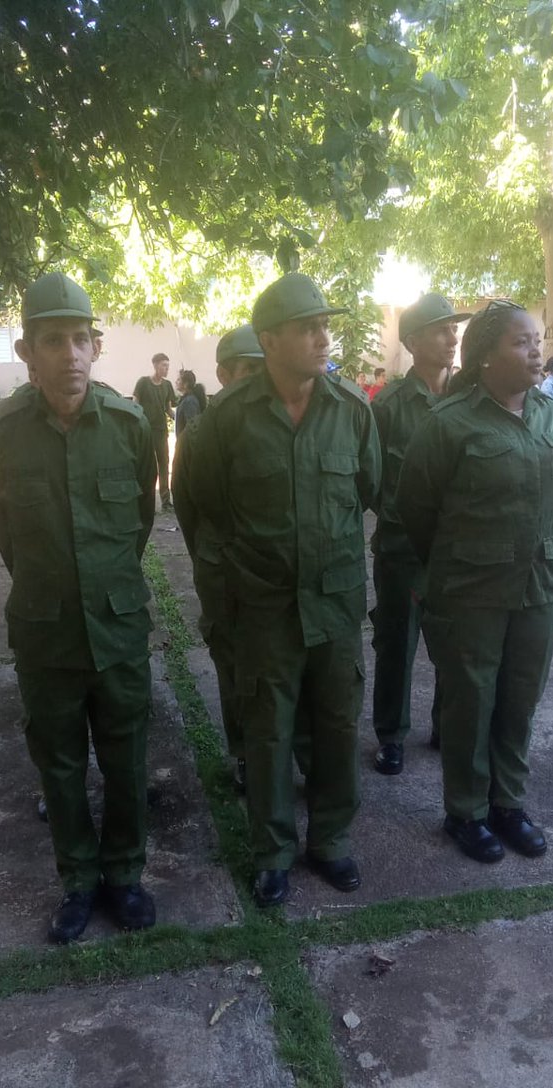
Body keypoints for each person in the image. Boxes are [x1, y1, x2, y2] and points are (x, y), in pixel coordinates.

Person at [186, 274, 381, 906]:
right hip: (265, 604)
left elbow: (372, 491)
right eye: (308, 328)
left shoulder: (351, 408)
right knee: (268, 730)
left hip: (335, 601)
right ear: (270, 340)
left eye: (326, 325)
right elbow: (204, 506)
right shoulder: (229, 418)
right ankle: (271, 851)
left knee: (336, 722)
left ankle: (331, 840)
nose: (324, 338)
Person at [0, 271, 158, 944]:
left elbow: (140, 520)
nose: (70, 354)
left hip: (116, 626)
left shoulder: (131, 425)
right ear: (28, 353)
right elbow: (2, 526)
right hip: (45, 628)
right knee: (58, 761)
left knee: (127, 754)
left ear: (97, 345)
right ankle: (79, 881)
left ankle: (125, 876)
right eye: (53, 341)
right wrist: (50, 585)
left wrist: (103, 584)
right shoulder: (0, 431)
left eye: (81, 339)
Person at [396, 300, 553, 864]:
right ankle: (466, 812)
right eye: (521, 342)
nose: (536, 350)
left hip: (540, 584)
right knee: (472, 701)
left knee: (521, 699)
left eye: (538, 339)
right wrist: (444, 571)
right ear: (487, 355)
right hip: (470, 587)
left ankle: (508, 805)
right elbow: (415, 510)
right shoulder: (449, 423)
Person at [369, 292, 472, 776]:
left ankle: (445, 727)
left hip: (458, 551)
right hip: (402, 550)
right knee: (396, 645)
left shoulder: (472, 398)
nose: (452, 338)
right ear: (411, 341)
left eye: (454, 329)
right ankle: (391, 735)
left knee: (457, 646)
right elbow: (369, 480)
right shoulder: (388, 406)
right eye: (440, 329)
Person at [173, 325, 266, 791]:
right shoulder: (197, 434)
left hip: (273, 575)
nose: (257, 379)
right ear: (224, 374)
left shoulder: (280, 427)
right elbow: (187, 510)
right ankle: (246, 754)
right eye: (248, 369)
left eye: (263, 368)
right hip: (223, 573)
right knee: (233, 667)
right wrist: (209, 561)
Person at [133, 353, 176, 508]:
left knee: (164, 463)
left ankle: (165, 499)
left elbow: (168, 409)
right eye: (164, 365)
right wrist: (136, 421)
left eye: (168, 365)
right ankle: (146, 499)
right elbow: (135, 403)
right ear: (155, 365)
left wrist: (181, 418)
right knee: (147, 465)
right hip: (145, 431)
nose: (167, 368)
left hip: (161, 430)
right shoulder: (143, 383)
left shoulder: (167, 385)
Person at [174, 368, 207, 438]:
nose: (175, 382)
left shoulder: (189, 402)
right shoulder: (185, 400)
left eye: (178, 379)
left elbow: (192, 429)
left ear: (186, 384)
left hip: (187, 446)